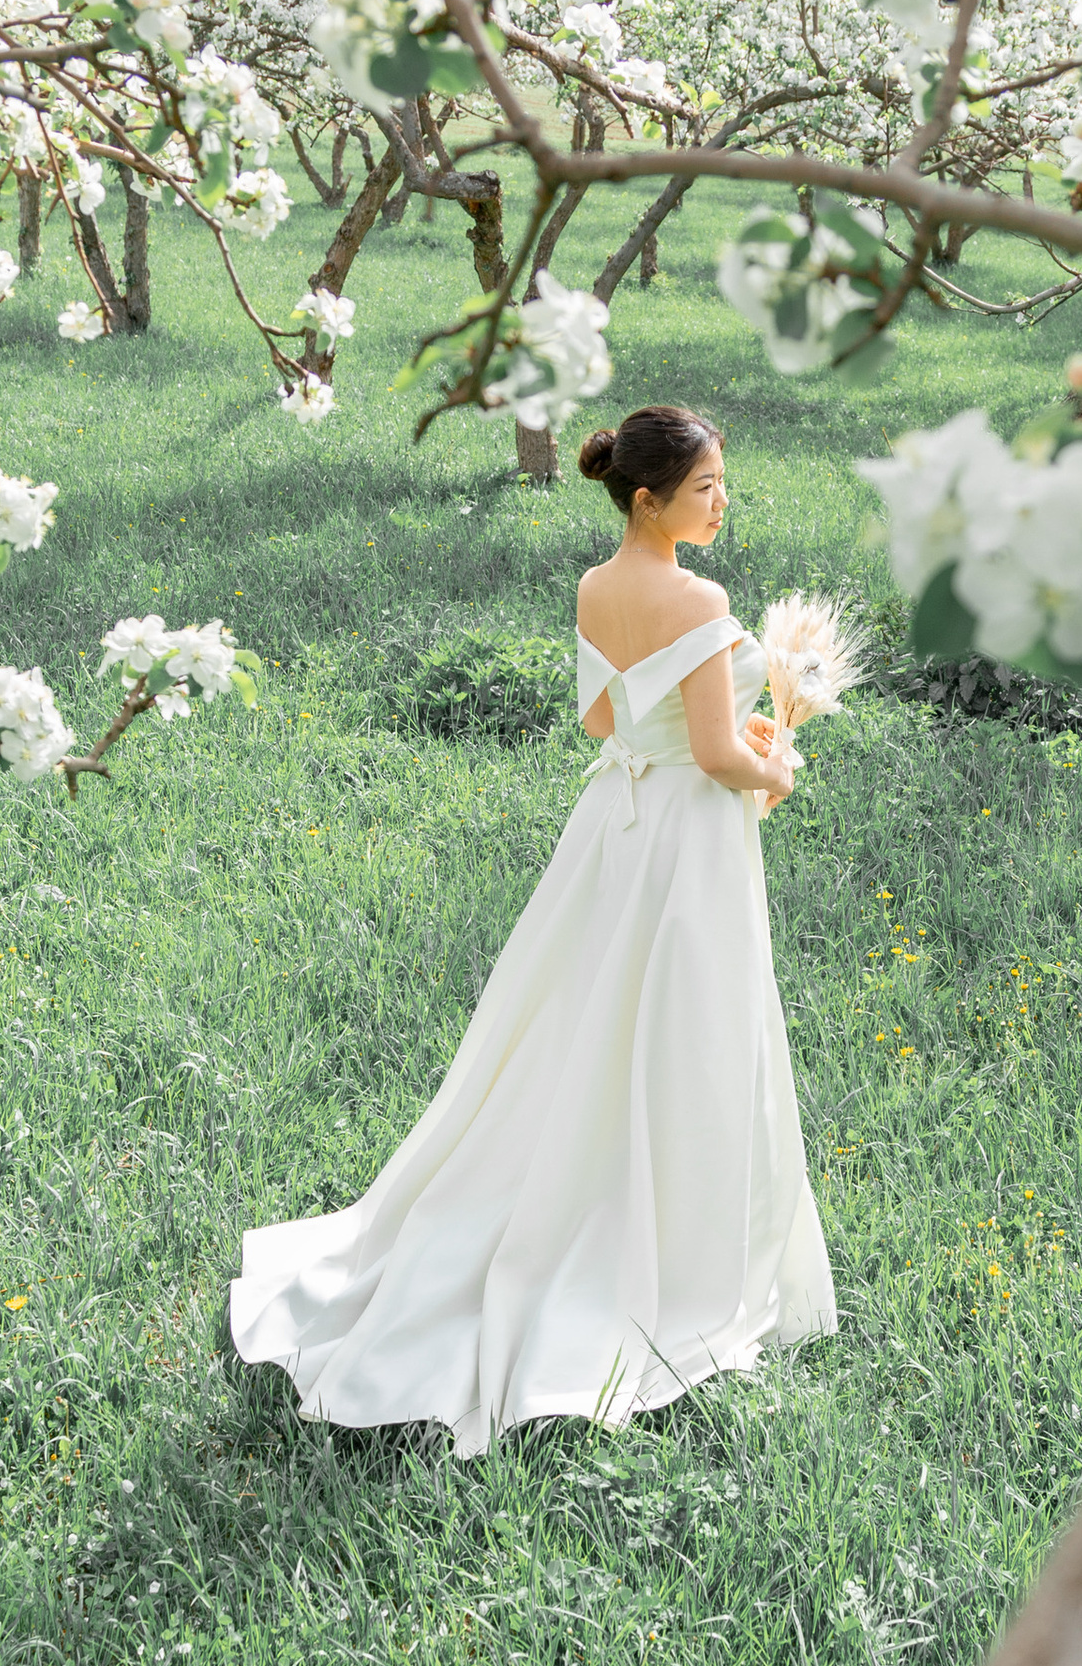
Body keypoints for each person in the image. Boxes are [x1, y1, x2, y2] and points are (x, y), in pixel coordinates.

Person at [230, 402, 838, 1455]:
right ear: (649, 500)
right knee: (685, 1028)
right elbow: (717, 752)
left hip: (612, 824)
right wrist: (775, 755)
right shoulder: (699, 595)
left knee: (577, 1019)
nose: (721, 502)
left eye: (721, 485)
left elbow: (607, 720)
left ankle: (562, 1187)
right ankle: (667, 1249)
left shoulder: (596, 584)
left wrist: (722, 734)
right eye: (704, 490)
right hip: (686, 841)